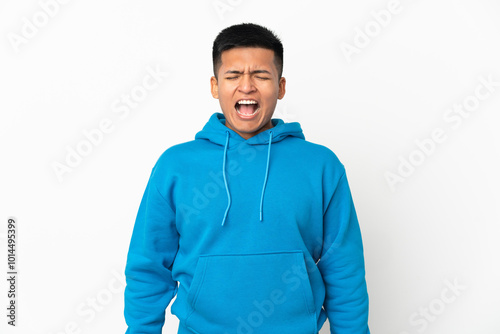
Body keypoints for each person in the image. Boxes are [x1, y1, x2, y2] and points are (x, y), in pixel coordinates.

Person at [124, 23, 370, 334]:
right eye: (233, 75)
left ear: (280, 87)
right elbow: (148, 267)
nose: (247, 86)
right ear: (215, 86)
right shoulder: (175, 165)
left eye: (261, 76)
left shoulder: (321, 165)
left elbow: (343, 268)